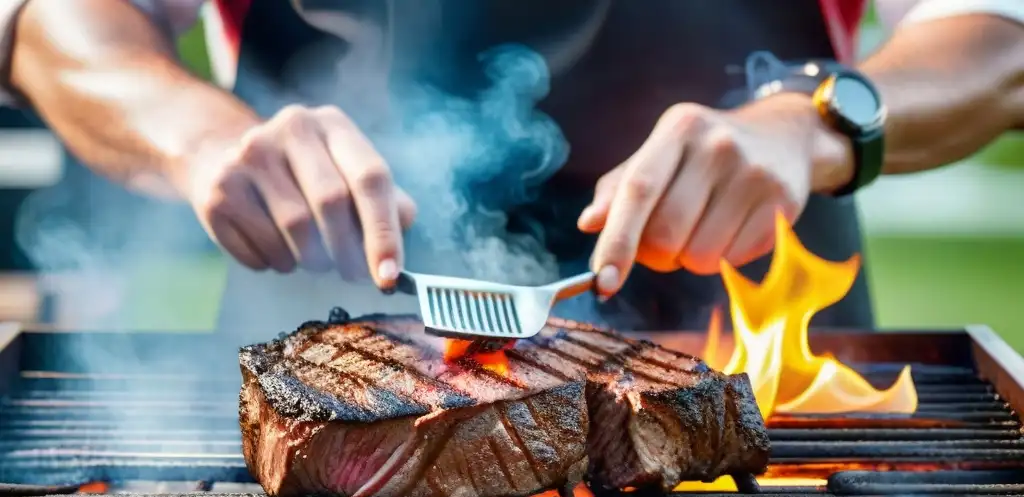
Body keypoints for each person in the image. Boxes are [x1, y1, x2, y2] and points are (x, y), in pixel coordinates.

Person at [1, 0, 1022, 338]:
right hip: (330, 354)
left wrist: (812, 128)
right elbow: (50, 22)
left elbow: (995, 37)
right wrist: (196, 129)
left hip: (753, 358)